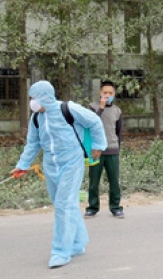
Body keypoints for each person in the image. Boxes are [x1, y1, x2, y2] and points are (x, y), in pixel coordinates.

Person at [12, 81, 107, 269]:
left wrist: (98, 145)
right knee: (64, 204)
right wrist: (22, 165)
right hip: (51, 165)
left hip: (72, 162)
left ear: (44, 97)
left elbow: (94, 121)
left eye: (34, 98)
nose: (31, 101)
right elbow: (32, 144)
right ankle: (78, 243)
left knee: (63, 205)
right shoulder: (36, 119)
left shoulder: (68, 108)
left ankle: (60, 252)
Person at [85, 80, 124, 219]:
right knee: (94, 181)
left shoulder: (117, 111)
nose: (107, 95)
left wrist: (117, 147)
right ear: (100, 93)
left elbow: (118, 132)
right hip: (96, 151)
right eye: (105, 92)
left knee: (114, 181)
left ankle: (116, 207)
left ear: (114, 94)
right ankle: (92, 208)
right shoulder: (91, 107)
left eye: (110, 93)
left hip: (112, 150)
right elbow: (90, 123)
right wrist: (101, 108)